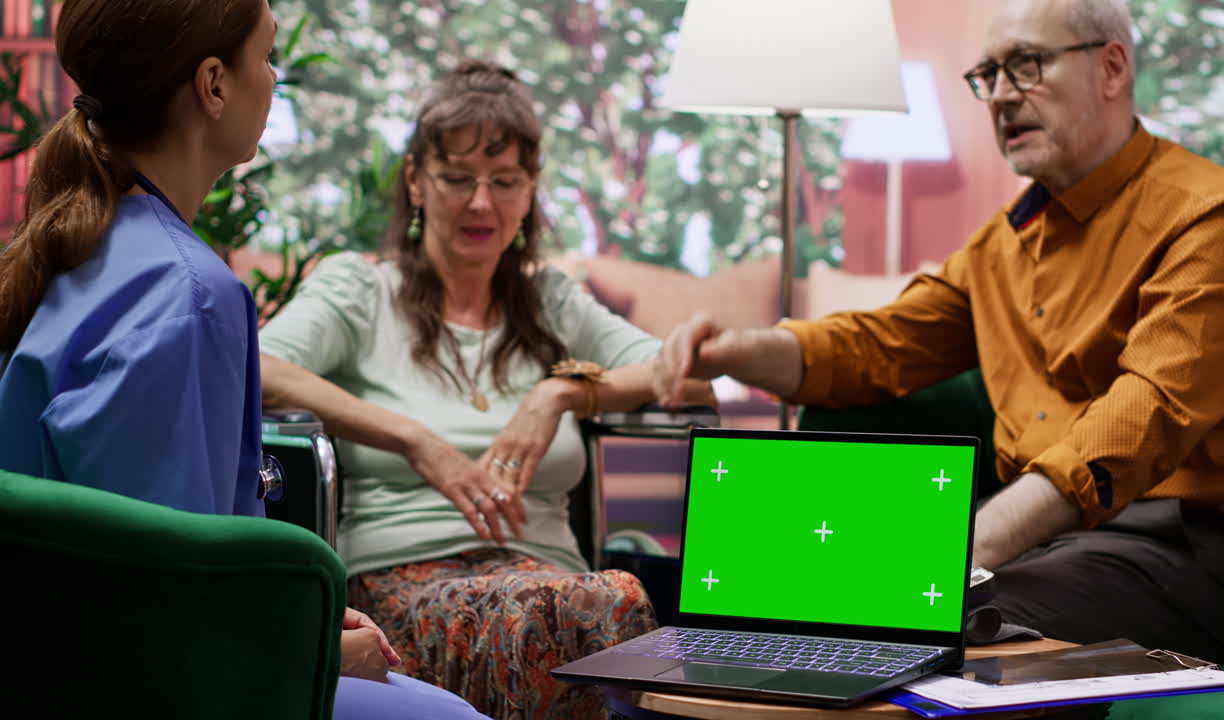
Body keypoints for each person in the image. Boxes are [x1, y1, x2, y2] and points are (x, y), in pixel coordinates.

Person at [653, 0, 1224, 663]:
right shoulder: (1002, 245)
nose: (1002, 95)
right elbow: (880, 344)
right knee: (783, 599)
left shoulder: (1212, 218)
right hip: (1040, 546)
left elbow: (1143, 417)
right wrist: (739, 350)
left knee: (920, 615)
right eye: (989, 74)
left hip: (1173, 550)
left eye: (1027, 65)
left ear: (1112, 67)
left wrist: (952, 550)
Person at [0, 2, 488, 718]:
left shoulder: (67, 251)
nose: (274, 78)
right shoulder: (188, 294)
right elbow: (166, 611)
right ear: (213, 85)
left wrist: (296, 616)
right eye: (265, 57)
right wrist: (313, 648)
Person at [257, 60, 709, 719]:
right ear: (416, 180)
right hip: (399, 587)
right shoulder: (361, 291)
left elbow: (682, 372)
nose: (480, 203)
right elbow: (257, 365)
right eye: (457, 178)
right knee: (597, 603)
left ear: (529, 192)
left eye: (504, 181)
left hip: (546, 577)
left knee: (591, 602)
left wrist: (560, 392)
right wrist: (413, 439)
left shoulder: (552, 302)